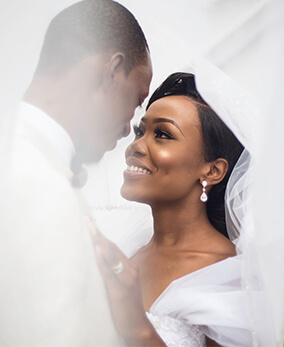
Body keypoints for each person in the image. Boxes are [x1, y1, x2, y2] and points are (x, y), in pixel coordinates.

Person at [0, 0, 152, 345]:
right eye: (136, 100)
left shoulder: (14, 156)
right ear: (111, 71)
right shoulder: (34, 181)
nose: (128, 129)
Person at [88, 72, 254, 346]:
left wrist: (139, 330)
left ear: (212, 170)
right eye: (141, 131)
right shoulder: (126, 253)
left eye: (162, 134)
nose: (136, 146)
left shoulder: (230, 276)